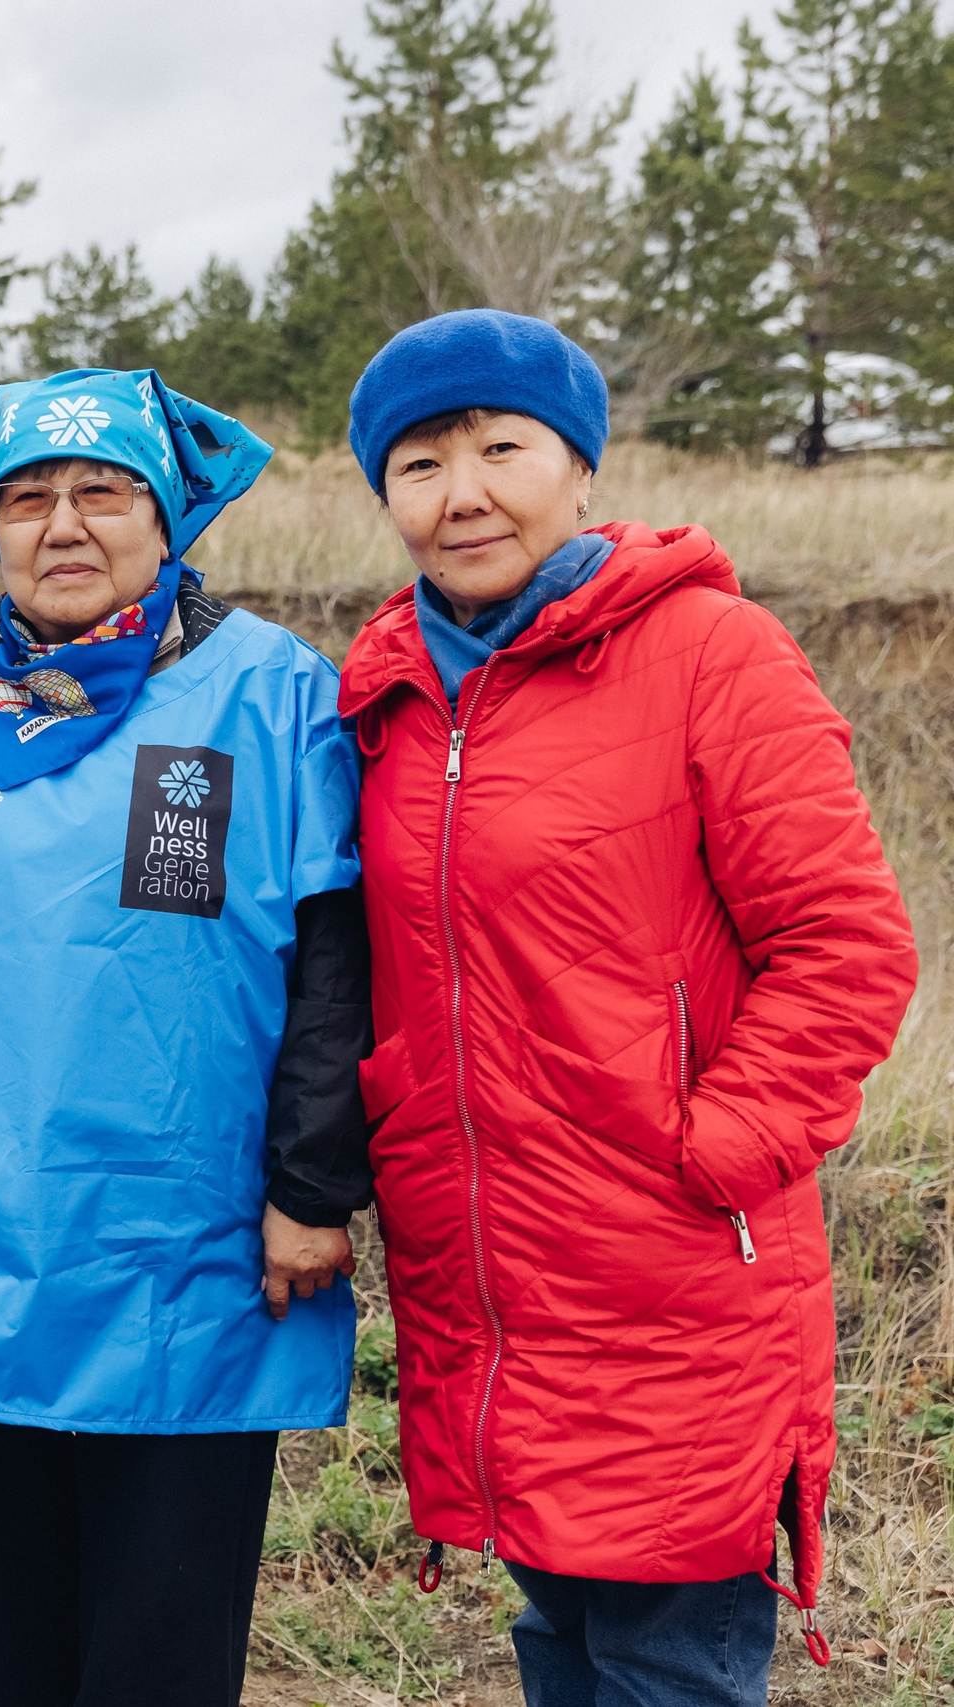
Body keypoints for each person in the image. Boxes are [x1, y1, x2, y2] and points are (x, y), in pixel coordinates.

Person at [338, 309, 919, 1705]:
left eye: (501, 447)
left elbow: (847, 944)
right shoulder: (393, 695)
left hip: (674, 1270)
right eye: (419, 463)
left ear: (580, 470)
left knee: (670, 1653)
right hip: (487, 1278)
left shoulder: (711, 652)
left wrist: (710, 1150)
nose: (462, 491)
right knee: (564, 1635)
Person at [0, 369, 372, 1707]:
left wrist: (311, 1186)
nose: (63, 524)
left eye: (101, 492)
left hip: (192, 1250)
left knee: (158, 1659)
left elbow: (337, 970)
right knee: (0, 1646)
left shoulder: (274, 697)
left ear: (166, 519)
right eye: (27, 497)